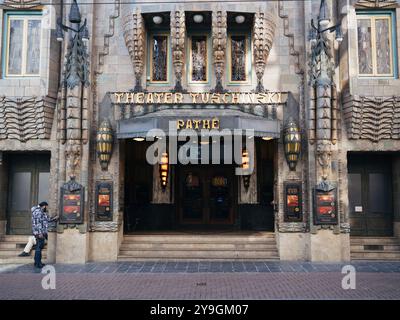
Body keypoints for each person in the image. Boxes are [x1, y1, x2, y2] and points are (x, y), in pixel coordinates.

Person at [31, 201, 57, 268]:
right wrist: (40, 233)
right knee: (38, 248)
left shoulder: (41, 212)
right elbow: (38, 224)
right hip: (39, 233)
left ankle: (37, 262)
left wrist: (54, 219)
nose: (47, 208)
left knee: (39, 248)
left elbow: (46, 220)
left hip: (41, 232)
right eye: (47, 207)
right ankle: (37, 263)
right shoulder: (38, 212)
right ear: (44, 206)